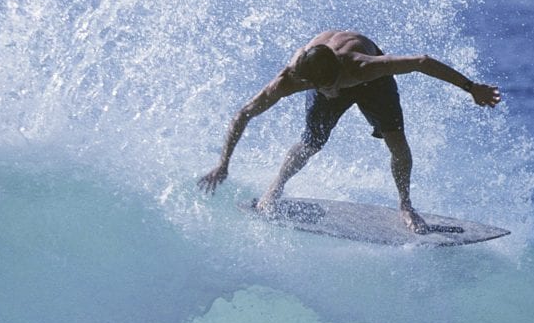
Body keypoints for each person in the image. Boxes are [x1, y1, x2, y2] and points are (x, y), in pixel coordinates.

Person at [197, 30, 501, 233]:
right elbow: (244, 113)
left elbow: (421, 61)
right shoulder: (294, 78)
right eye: (323, 89)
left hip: (373, 87)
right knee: (310, 142)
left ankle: (405, 205)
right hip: (321, 71)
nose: (332, 93)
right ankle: (274, 190)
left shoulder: (364, 66)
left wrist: (471, 87)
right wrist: (223, 163)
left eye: (334, 87)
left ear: (342, 74)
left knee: (397, 144)